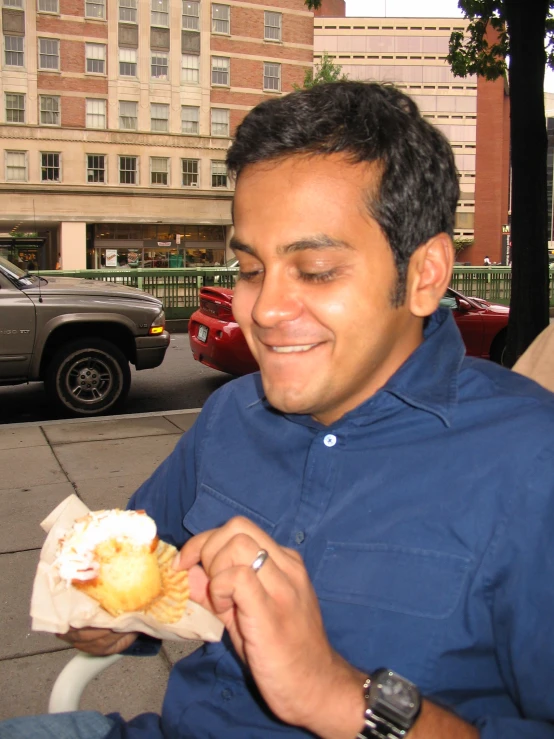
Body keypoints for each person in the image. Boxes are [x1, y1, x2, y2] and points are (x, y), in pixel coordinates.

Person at [3, 81, 554, 739]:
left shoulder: (531, 465)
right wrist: (110, 616)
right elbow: (140, 579)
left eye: (315, 269)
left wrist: (337, 695)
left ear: (426, 275)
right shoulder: (230, 414)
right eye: (250, 268)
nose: (262, 310)